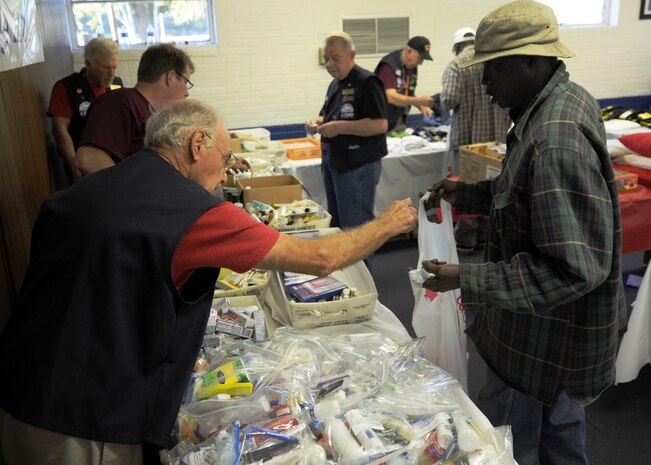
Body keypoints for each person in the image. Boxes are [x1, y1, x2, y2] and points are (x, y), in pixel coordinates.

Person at [0, 98, 417, 465]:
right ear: (197, 144)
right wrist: (388, 223)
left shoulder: (85, 190)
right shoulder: (193, 211)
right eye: (225, 155)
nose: (223, 174)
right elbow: (322, 257)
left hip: (20, 381)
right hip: (80, 416)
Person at [421, 2, 627, 464]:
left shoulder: (554, 138)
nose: (484, 82)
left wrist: (465, 278)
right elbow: (526, 196)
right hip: (556, 346)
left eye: (492, 69)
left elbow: (573, 270)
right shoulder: (558, 103)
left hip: (538, 348)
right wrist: (466, 194)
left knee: (509, 446)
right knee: (561, 438)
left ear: (532, 60)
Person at [306, 32, 388, 266]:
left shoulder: (367, 82)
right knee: (339, 226)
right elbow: (331, 115)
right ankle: (349, 280)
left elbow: (380, 124)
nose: (330, 65)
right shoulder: (335, 84)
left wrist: (339, 127)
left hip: (357, 165)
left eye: (335, 58)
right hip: (335, 162)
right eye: (326, 59)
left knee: (357, 228)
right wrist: (318, 122)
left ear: (352, 55)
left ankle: (365, 287)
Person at [437, 27, 511, 255]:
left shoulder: (456, 65)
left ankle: (466, 241)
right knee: (492, 189)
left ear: (457, 46)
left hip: (467, 143)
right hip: (496, 141)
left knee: (467, 190)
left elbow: (450, 99)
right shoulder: (496, 61)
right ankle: (485, 236)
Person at [75, 43, 194, 176]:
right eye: (185, 82)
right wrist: (133, 191)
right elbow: (88, 158)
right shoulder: (120, 103)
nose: (186, 93)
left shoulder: (149, 112)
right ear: (170, 77)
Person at [47, 37, 122, 185]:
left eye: (114, 67)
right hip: (83, 162)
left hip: (112, 160)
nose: (112, 73)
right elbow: (60, 131)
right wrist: (76, 170)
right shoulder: (66, 87)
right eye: (106, 67)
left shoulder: (117, 84)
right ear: (88, 64)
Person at [374, 36, 435, 132]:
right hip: (380, 120)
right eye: (420, 58)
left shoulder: (411, 66)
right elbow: (391, 96)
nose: (421, 63)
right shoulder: (388, 65)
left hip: (398, 118)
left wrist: (420, 105)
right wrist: (418, 101)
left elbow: (405, 89)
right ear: (409, 51)